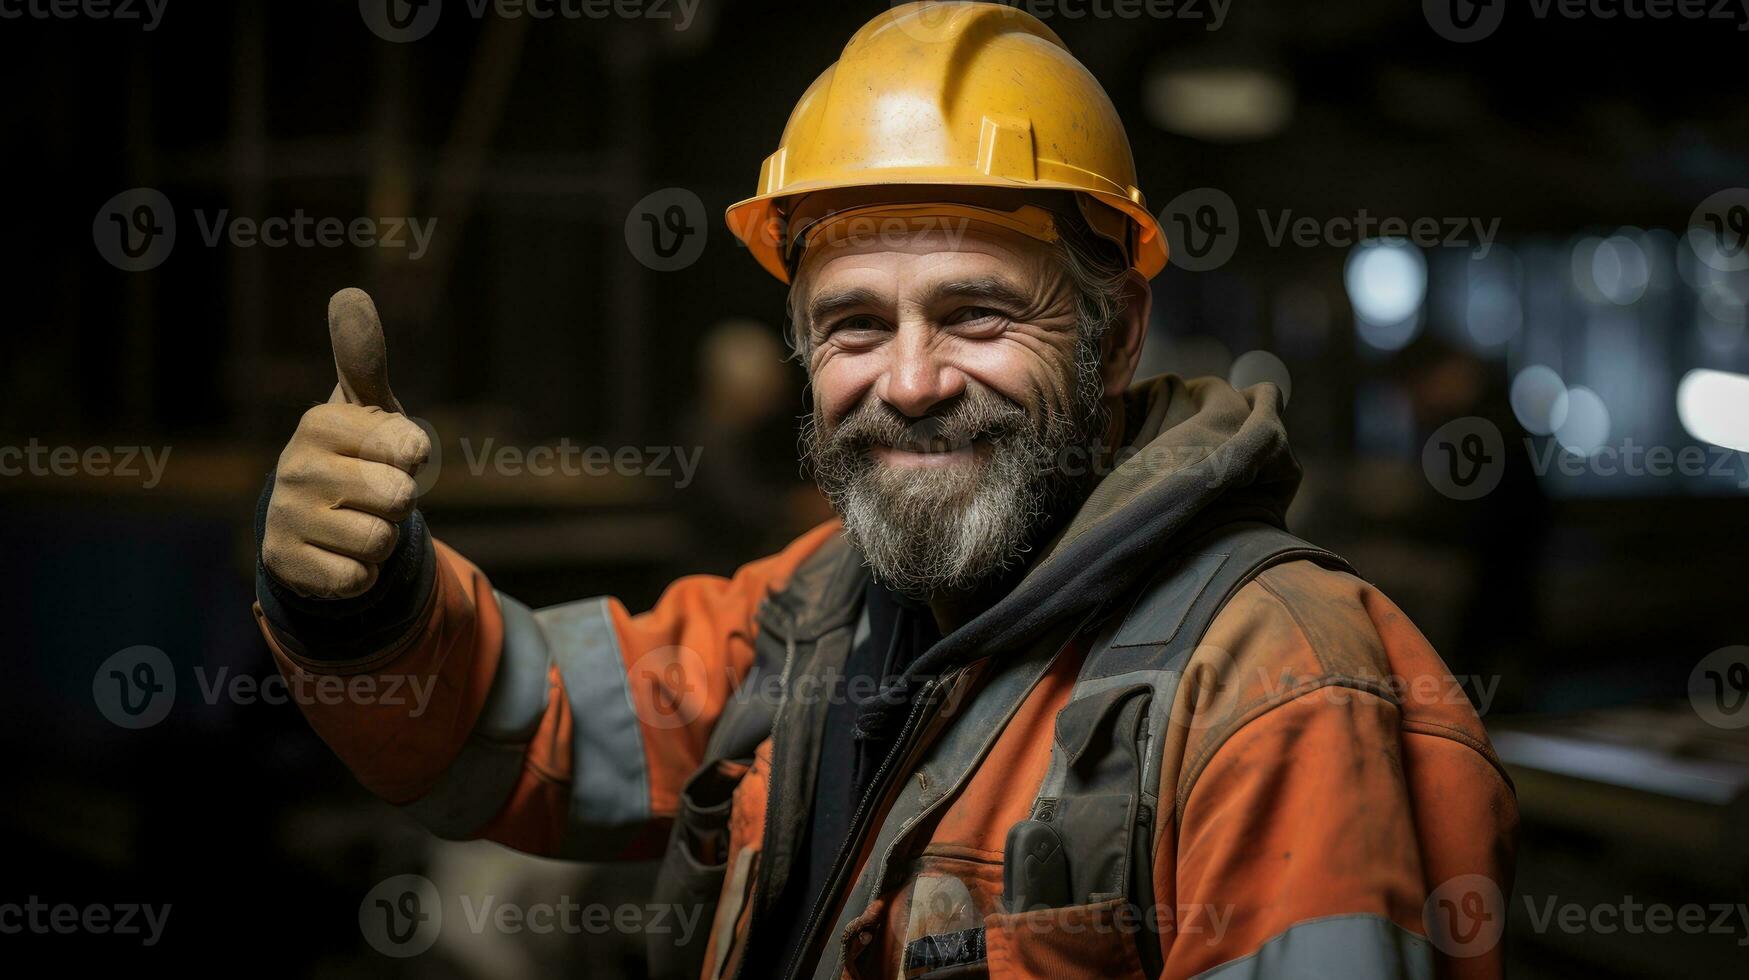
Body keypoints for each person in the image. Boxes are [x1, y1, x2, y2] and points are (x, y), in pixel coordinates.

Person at [253, 4, 1516, 977]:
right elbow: (508, 720)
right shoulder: (811, 615)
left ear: (1114, 334)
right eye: (855, 324)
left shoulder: (1272, 690)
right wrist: (365, 597)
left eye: (975, 312)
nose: (909, 381)